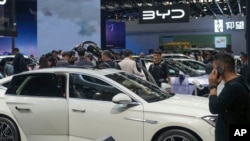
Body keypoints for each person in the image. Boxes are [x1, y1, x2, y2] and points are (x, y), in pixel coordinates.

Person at [208, 53, 250, 141]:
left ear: (221, 68)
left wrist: (213, 86)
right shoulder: (239, 81)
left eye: (214, 68)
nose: (213, 71)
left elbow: (214, 108)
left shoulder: (232, 87)